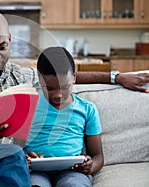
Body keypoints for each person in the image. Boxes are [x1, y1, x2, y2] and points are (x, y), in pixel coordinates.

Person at [0, 11, 149, 187]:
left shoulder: (20, 77)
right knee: (11, 156)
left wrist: (115, 76)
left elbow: (60, 76)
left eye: (2, 47)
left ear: (10, 41)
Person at [25, 46, 103, 187]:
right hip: (37, 171)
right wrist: (24, 158)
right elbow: (16, 147)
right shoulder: (27, 107)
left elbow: (98, 156)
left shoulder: (87, 109)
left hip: (72, 171)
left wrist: (90, 166)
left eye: (64, 87)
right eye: (49, 88)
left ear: (74, 77)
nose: (57, 95)